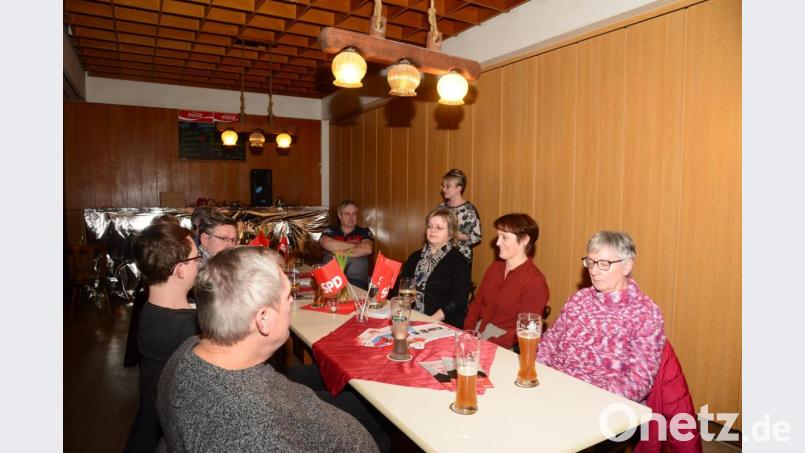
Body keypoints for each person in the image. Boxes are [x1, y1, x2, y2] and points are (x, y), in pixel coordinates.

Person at [156, 247, 381, 452]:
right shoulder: (252, 436)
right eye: (287, 297)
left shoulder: (189, 351)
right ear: (263, 320)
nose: (292, 301)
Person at [538, 231, 665, 403]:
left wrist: (591, 399)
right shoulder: (579, 299)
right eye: (590, 263)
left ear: (627, 266)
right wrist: (539, 373)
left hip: (601, 403)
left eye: (604, 264)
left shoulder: (645, 313)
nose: (594, 271)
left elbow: (639, 380)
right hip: (555, 388)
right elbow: (551, 340)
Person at [124, 223, 201, 453]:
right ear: (180, 269)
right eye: (197, 259)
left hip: (150, 424)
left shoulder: (149, 310)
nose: (200, 264)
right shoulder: (190, 329)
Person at [463, 213, 549, 349]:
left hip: (504, 344)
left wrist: (488, 344)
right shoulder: (494, 268)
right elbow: (477, 303)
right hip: (478, 333)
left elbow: (523, 330)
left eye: (505, 237)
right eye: (498, 236)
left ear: (525, 240)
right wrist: (468, 331)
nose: (497, 243)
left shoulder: (535, 281)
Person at [391, 208, 471, 328]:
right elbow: (401, 287)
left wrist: (430, 321)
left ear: (450, 233)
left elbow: (459, 301)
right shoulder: (415, 256)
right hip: (412, 317)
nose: (432, 230)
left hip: (442, 323)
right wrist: (405, 303)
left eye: (439, 228)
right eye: (430, 226)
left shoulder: (459, 261)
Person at [319, 200, 374, 289]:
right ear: (339, 215)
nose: (351, 217)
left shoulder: (364, 232)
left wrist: (339, 252)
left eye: (354, 214)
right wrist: (357, 247)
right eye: (347, 214)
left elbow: (367, 249)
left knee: (359, 262)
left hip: (356, 279)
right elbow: (325, 243)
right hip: (331, 279)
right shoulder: (331, 230)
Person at [438, 169, 481, 264]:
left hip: (461, 258)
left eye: (448, 186)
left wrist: (456, 235)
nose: (443, 189)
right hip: (440, 256)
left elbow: (477, 236)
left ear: (459, 188)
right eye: (443, 186)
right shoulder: (441, 208)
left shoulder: (469, 209)